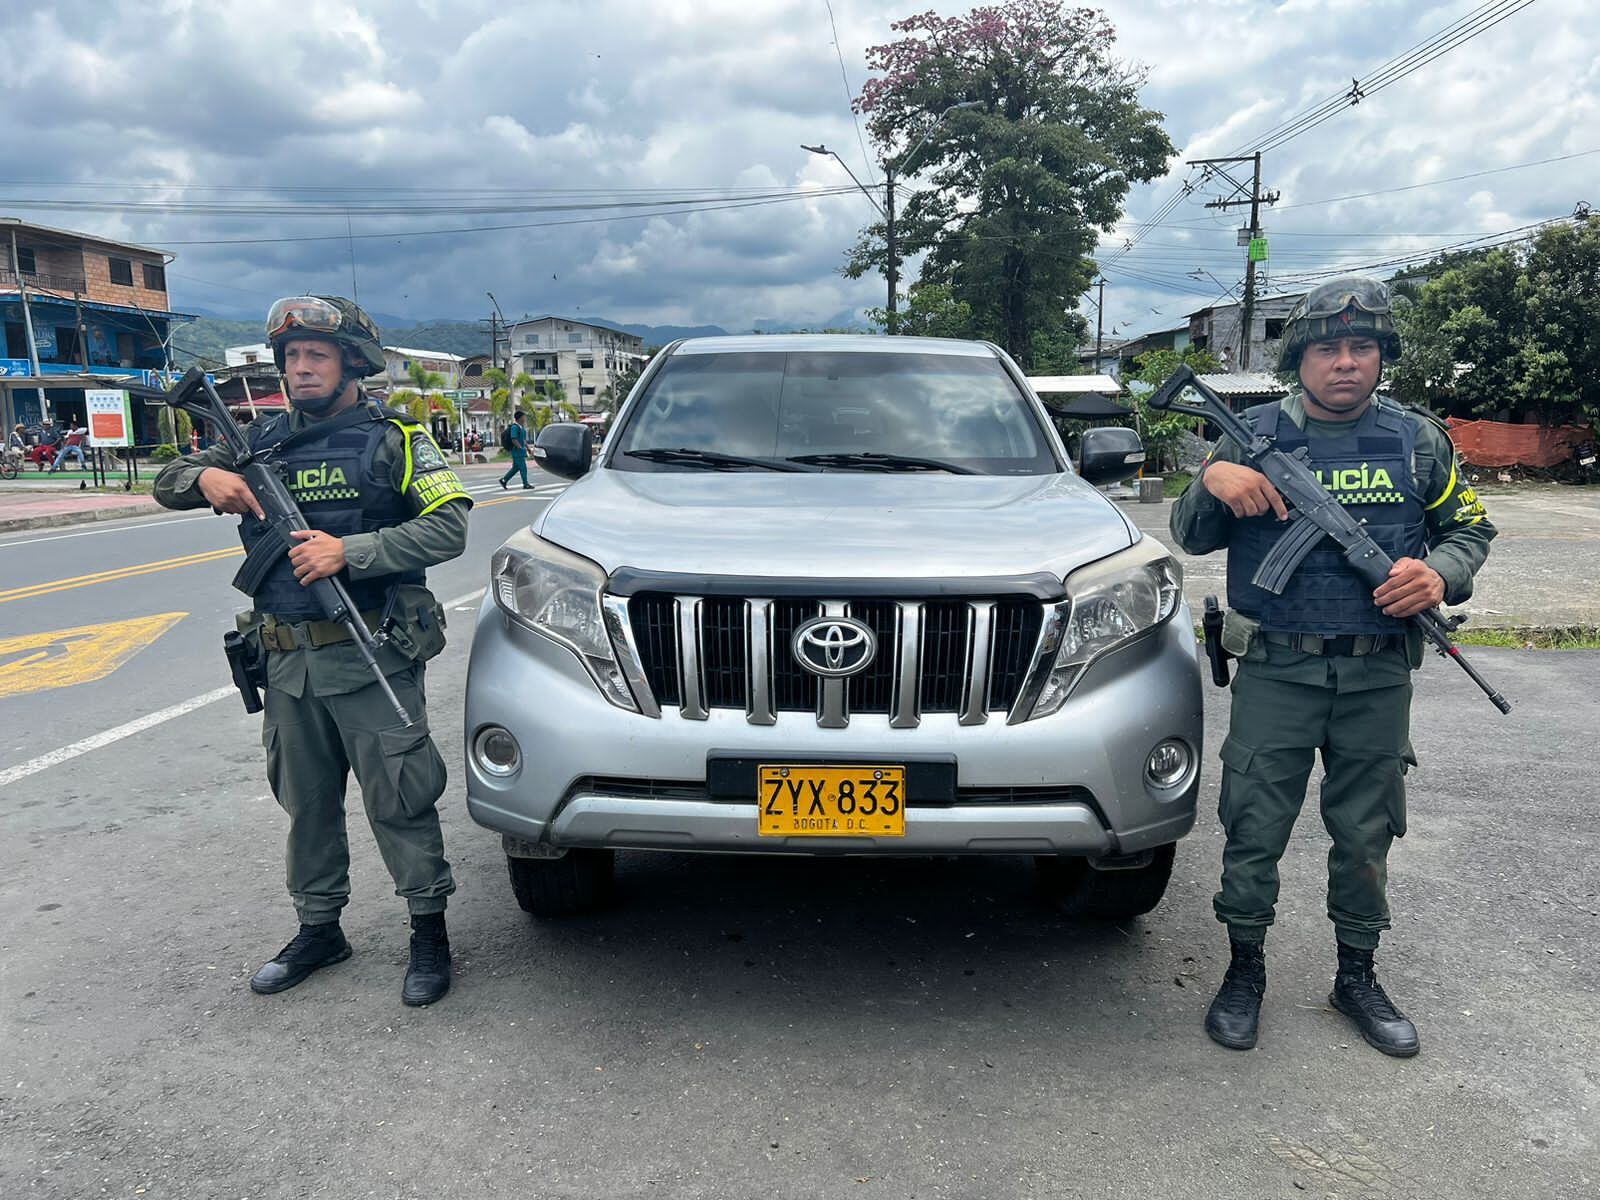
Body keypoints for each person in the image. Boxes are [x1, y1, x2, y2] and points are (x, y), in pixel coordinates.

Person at [1169, 275, 1496, 1058]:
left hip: (1378, 668)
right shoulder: (1247, 433)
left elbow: (1470, 530)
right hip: (1278, 666)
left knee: (1366, 828)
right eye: (1327, 348)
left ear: (1382, 357)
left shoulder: (1419, 440)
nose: (1345, 363)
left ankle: (1357, 975)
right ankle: (1244, 969)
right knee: (1254, 823)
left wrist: (1440, 574)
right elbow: (1189, 533)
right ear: (1301, 358)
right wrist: (1212, 477)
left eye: (1362, 348)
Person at [153, 295, 473, 1006]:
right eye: (292, 356)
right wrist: (203, 478)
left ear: (352, 363)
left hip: (370, 654)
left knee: (399, 798)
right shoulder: (254, 442)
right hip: (289, 661)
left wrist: (350, 551)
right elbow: (166, 480)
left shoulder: (397, 439)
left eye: (317, 356)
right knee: (308, 805)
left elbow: (449, 528)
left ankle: (428, 928)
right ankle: (319, 928)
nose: (302, 367)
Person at [499, 408, 530, 489]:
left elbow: (523, 439)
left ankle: (504, 480)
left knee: (516, 468)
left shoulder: (521, 428)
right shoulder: (515, 427)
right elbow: (514, 439)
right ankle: (525, 484)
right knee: (523, 468)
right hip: (516, 451)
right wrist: (520, 447)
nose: (525, 419)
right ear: (520, 418)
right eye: (524, 417)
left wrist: (528, 448)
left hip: (521, 451)